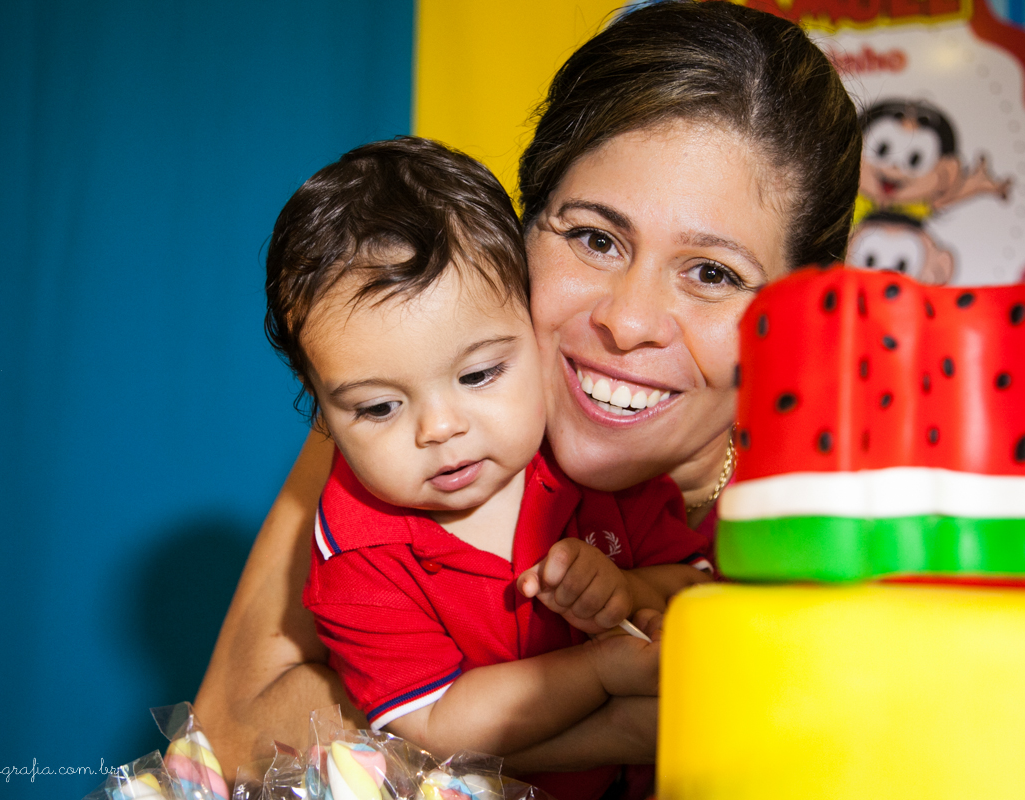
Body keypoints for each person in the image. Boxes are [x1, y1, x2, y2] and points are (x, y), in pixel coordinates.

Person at [195, 0, 861, 785]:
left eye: (712, 273)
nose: (627, 321)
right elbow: (231, 730)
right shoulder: (420, 407)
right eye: (594, 237)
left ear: (802, 305)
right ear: (522, 227)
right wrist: (611, 721)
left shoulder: (860, 495)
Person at [264, 136, 713, 800]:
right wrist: (598, 672)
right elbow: (431, 724)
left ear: (533, 328)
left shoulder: (587, 455)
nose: (440, 428)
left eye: (480, 374)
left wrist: (628, 591)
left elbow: (698, 592)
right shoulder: (358, 553)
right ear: (324, 415)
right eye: (380, 407)